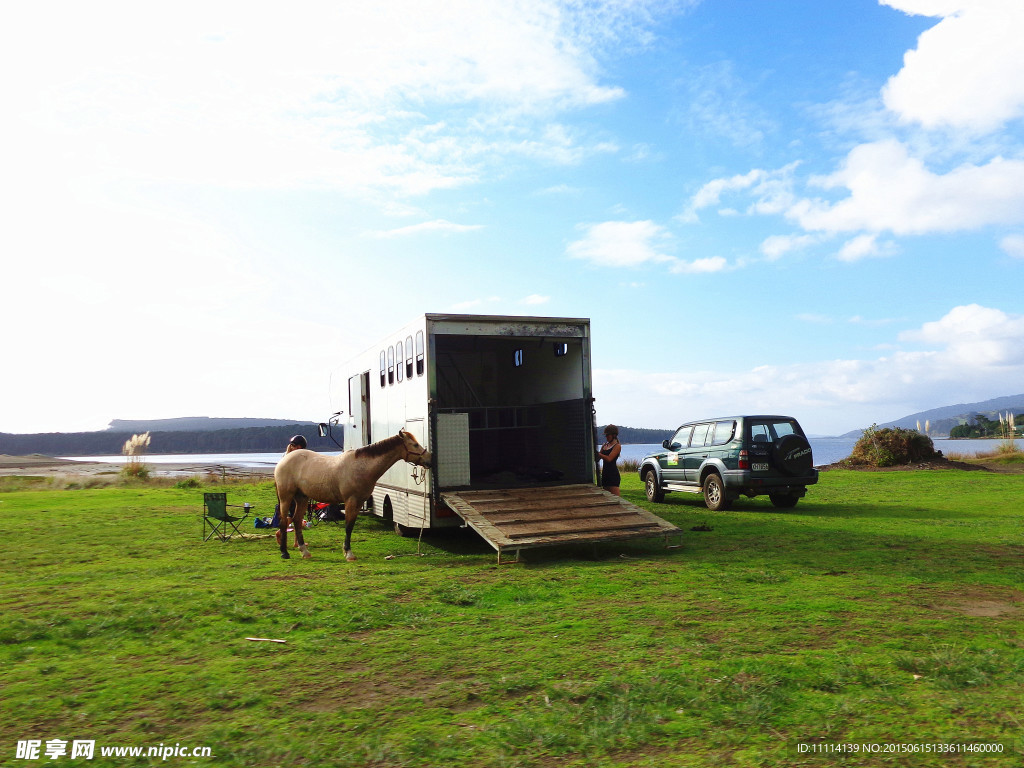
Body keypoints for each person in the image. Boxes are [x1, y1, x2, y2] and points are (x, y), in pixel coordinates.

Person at [596, 424, 622, 496]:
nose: (606, 437)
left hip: (613, 475)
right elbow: (598, 459)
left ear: (614, 435)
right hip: (605, 474)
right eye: (606, 435)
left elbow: (609, 459)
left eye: (608, 435)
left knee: (616, 498)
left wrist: (599, 454)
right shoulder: (605, 445)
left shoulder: (617, 446)